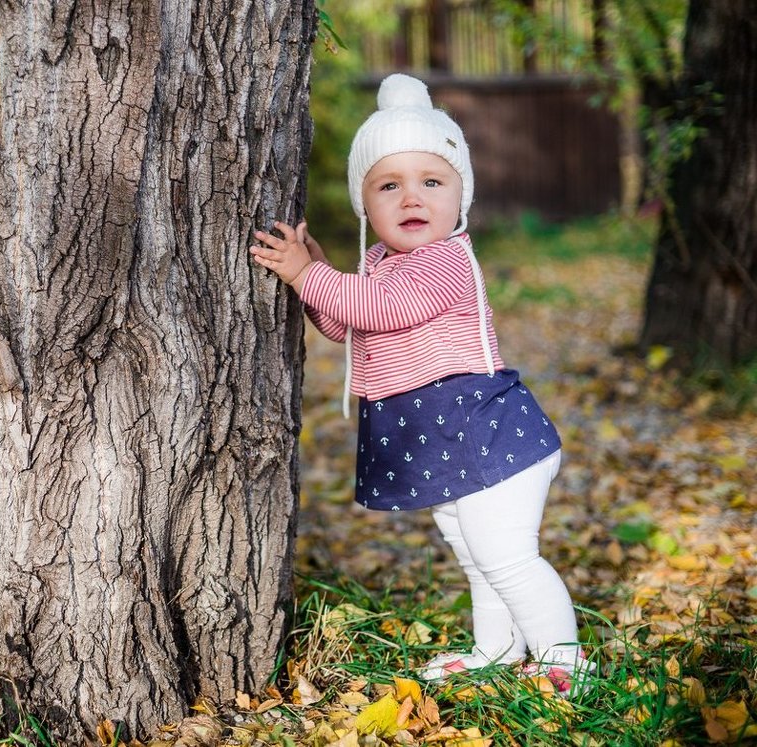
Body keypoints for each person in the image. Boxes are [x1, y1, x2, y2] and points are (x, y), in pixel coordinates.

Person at [248, 73, 591, 693]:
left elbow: (384, 310)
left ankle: (564, 661)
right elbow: (347, 322)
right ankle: (498, 647)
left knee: (508, 557)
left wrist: (306, 275)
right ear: (365, 205)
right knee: (475, 554)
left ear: (462, 196)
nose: (411, 198)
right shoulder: (380, 263)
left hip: (492, 440)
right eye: (389, 186)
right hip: (453, 442)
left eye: (432, 182)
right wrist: (319, 273)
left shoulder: (446, 260)